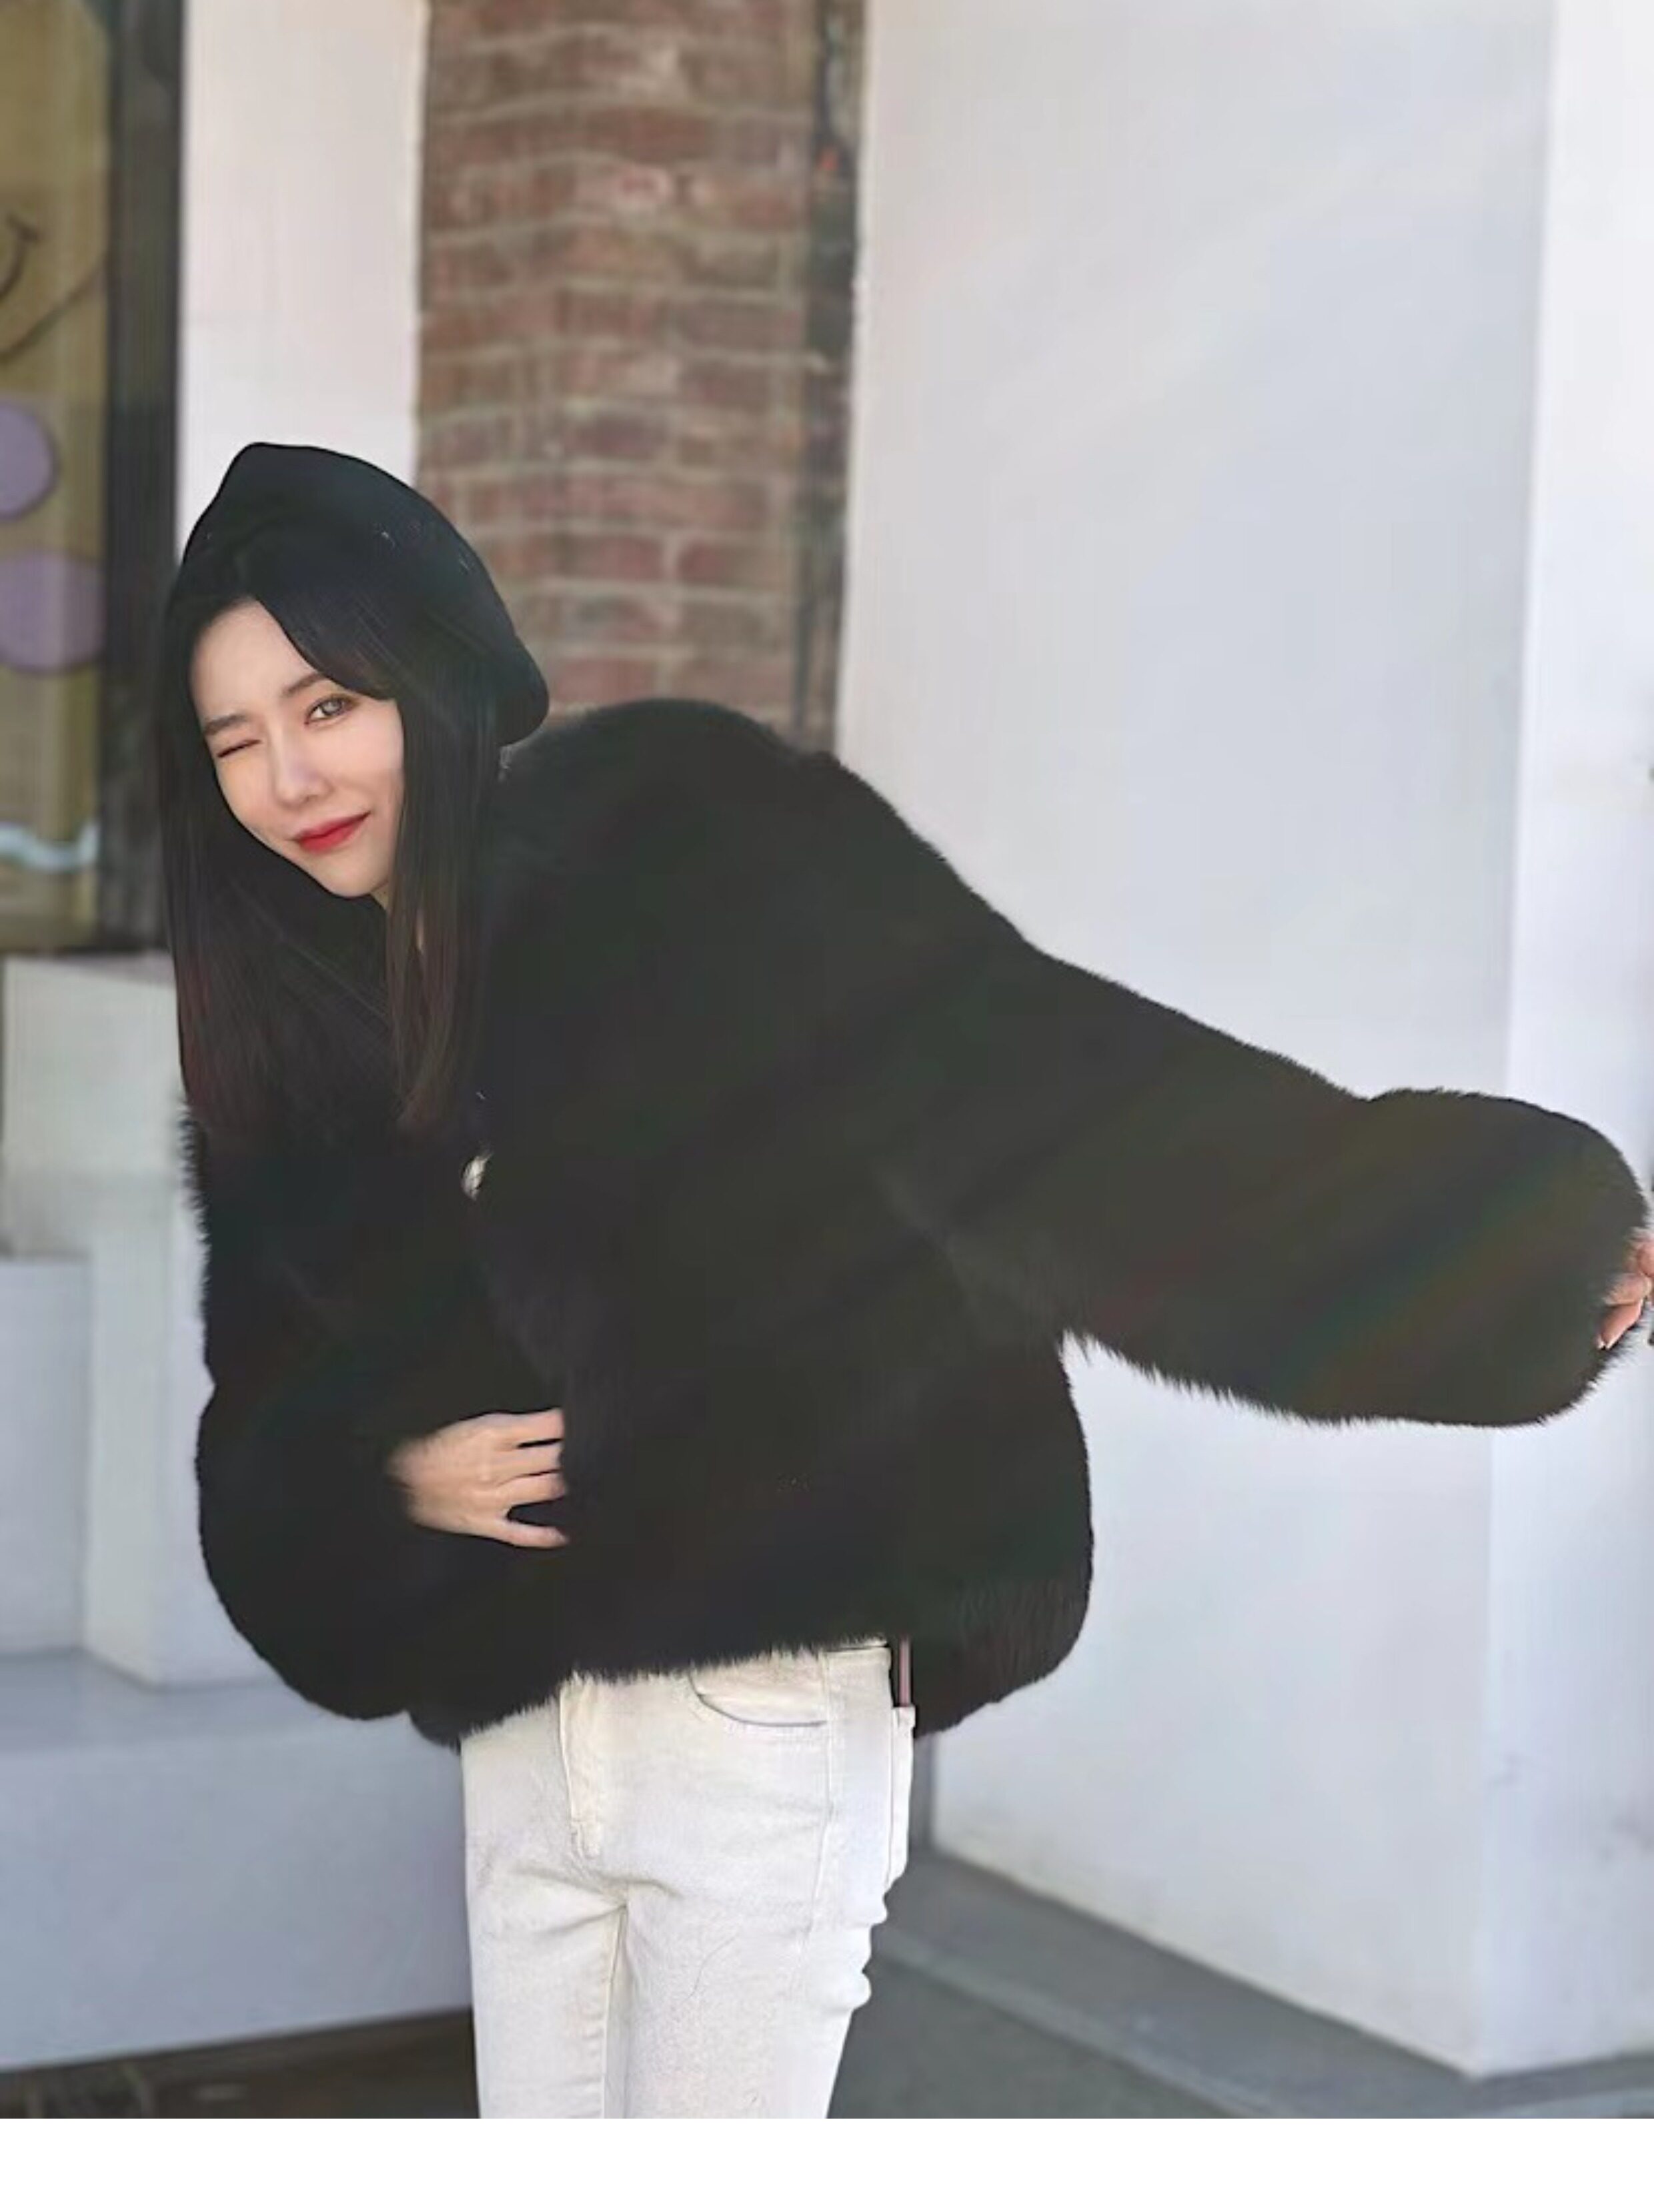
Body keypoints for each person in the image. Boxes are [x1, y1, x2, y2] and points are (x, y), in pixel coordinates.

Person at [155, 442, 1652, 2120]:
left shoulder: (681, 834)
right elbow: (267, 1406)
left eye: (328, 704)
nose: (290, 774)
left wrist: (1496, 1260)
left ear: (431, 679)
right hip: (522, 1743)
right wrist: (379, 1483)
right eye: (236, 739)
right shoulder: (297, 1028)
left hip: (754, 1713)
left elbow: (1052, 1094)